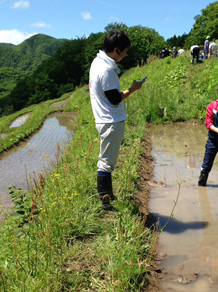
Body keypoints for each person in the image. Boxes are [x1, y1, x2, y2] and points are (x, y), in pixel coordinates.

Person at [89, 30, 145, 209]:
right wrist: (134, 88)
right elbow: (114, 99)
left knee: (107, 160)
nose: (125, 55)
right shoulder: (106, 70)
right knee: (106, 162)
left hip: (105, 119)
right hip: (111, 121)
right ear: (116, 49)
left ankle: (109, 196)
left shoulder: (98, 61)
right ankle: (106, 204)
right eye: (125, 51)